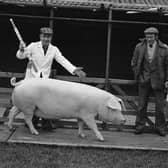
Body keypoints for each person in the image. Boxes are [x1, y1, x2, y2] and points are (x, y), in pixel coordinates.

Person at [16, 27, 86, 129]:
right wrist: (21, 49)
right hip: (32, 80)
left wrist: (74, 70)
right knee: (31, 101)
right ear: (40, 36)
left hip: (45, 80)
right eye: (44, 36)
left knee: (44, 102)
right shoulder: (33, 46)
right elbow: (20, 56)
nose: (46, 39)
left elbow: (62, 60)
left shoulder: (54, 49)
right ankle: (31, 122)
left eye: (48, 37)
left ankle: (46, 123)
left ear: (51, 38)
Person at [131, 27, 168, 136]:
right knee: (141, 105)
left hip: (159, 81)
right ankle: (139, 126)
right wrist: (137, 74)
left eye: (151, 37)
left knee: (160, 107)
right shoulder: (139, 47)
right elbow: (134, 61)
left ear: (156, 37)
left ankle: (160, 128)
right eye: (147, 37)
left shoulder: (164, 48)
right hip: (144, 79)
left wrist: (167, 80)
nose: (149, 39)